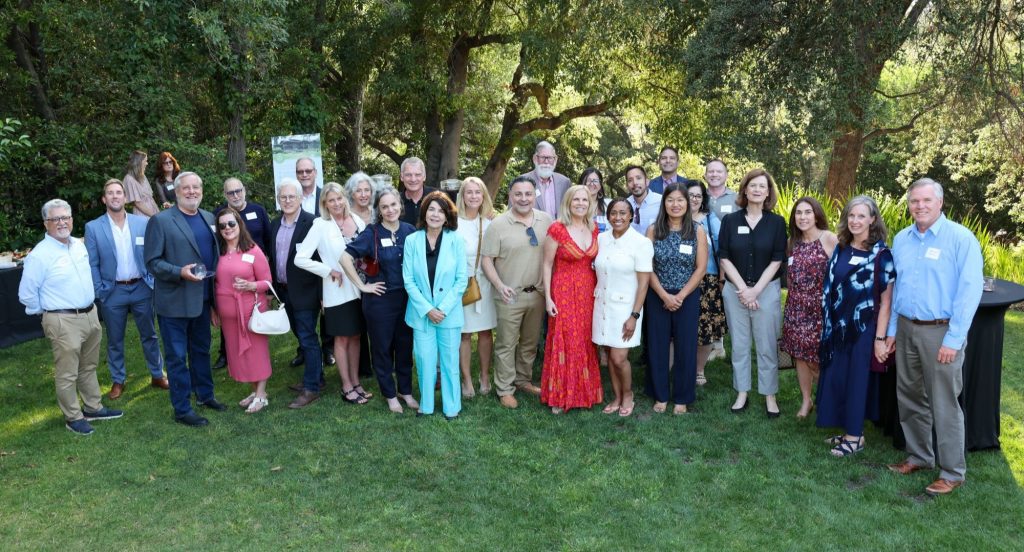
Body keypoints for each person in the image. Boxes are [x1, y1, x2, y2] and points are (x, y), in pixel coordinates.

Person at [884, 177, 983, 496]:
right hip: (908, 328)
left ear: (940, 203)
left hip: (942, 332)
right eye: (914, 201)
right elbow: (897, 289)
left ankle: (953, 472)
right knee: (910, 397)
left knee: (944, 403)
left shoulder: (960, 238)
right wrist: (892, 332)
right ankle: (920, 456)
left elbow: (970, 291)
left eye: (927, 200)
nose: (920, 206)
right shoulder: (902, 239)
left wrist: (954, 339)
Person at [19, 199, 123, 435]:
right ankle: (73, 416)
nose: (61, 222)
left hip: (90, 314)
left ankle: (93, 407)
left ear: (72, 220)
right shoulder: (39, 255)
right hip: (62, 319)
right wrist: (50, 313)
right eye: (55, 219)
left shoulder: (78, 245)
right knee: (67, 372)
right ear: (46, 224)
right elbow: (26, 294)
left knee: (89, 366)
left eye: (65, 217)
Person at [144, 171, 226, 427]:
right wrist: (178, 272)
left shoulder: (209, 218)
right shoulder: (161, 221)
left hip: (202, 300)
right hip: (175, 302)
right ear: (176, 192)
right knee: (177, 357)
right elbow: (152, 262)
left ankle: (205, 395)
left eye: (196, 187)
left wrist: (213, 301)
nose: (192, 192)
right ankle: (182, 408)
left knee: (201, 351)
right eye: (186, 188)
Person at [816, 195, 894, 456]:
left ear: (873, 219)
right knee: (839, 377)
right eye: (851, 215)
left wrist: (880, 338)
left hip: (862, 331)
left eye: (861, 216)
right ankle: (847, 427)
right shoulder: (842, 248)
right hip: (836, 328)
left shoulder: (881, 256)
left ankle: (855, 436)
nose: (855, 221)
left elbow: (886, 302)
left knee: (857, 381)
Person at [84, 179, 167, 400]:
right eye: (110, 193)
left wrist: (151, 280)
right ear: (104, 199)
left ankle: (157, 374)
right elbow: (92, 263)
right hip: (113, 291)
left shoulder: (141, 223)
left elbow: (152, 255)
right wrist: (100, 289)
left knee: (149, 334)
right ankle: (118, 380)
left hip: (141, 287)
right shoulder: (93, 227)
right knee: (115, 339)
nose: (115, 196)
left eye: (119, 192)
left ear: (125, 197)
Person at [340, 187, 420, 414]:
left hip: (406, 300)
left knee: (405, 347)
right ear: (379, 210)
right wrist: (363, 285)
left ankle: (405, 391)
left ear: (400, 206)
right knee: (383, 349)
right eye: (384, 206)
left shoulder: (410, 231)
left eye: (394, 205)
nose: (390, 209)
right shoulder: (371, 233)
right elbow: (345, 258)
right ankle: (389, 394)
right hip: (380, 301)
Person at [718, 168, 787, 417]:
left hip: (766, 291)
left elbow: (778, 259)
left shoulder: (777, 223)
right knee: (739, 343)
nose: (757, 190)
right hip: (735, 290)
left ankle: (769, 395)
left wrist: (755, 291)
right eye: (753, 185)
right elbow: (723, 256)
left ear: (768, 192)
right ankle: (742, 392)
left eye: (762, 186)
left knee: (767, 344)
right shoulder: (730, 221)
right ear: (745, 189)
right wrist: (743, 290)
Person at [481, 176, 553, 408]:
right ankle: (504, 388)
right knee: (506, 343)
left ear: (535, 196)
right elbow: (487, 261)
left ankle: (523, 379)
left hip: (539, 293)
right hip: (509, 294)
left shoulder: (546, 220)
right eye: (518, 194)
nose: (524, 198)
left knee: (530, 342)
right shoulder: (498, 225)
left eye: (528, 194)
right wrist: (500, 285)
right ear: (510, 196)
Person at [295, 182, 370, 405]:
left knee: (356, 336)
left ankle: (356, 382)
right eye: (331, 201)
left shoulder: (356, 220)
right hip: (337, 291)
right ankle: (346, 386)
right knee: (342, 337)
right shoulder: (320, 225)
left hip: (361, 288)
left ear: (345, 199)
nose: (336, 203)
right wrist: (328, 271)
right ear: (325, 204)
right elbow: (300, 258)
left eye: (339, 198)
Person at [403, 191, 469, 418]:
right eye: (431, 209)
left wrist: (442, 309)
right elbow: (408, 280)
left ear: (447, 215)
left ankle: (452, 407)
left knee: (450, 362)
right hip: (422, 314)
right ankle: (427, 405)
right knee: (424, 360)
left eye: (440, 210)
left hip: (448, 313)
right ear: (424, 212)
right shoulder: (412, 240)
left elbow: (462, 280)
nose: (435, 214)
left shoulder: (456, 240)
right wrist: (428, 309)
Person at [645, 183, 708, 414]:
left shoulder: (697, 230)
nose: (676, 204)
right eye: (670, 200)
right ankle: (660, 395)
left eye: (680, 200)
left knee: (685, 347)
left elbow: (701, 268)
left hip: (687, 296)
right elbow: (646, 266)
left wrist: (680, 296)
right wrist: (663, 294)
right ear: (664, 203)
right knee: (658, 345)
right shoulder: (653, 230)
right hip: (657, 294)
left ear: (688, 203)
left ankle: (682, 397)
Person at [540, 185, 602, 414]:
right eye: (575, 199)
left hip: (588, 291)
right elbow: (546, 264)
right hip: (564, 291)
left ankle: (584, 391)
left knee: (585, 340)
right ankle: (559, 395)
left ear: (590, 203)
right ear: (568, 202)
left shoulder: (593, 228)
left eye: (584, 200)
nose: (580, 203)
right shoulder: (557, 229)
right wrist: (548, 297)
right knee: (565, 339)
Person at [593, 198, 653, 416]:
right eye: (613, 213)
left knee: (619, 357)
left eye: (622, 213)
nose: (617, 217)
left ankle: (628, 394)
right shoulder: (601, 238)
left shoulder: (641, 243)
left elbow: (644, 283)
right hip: (602, 305)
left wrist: (634, 315)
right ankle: (616, 397)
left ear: (631, 216)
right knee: (609, 353)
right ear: (608, 216)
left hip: (626, 308)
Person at [267, 180, 323, 409]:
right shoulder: (274, 224)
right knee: (301, 336)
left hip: (306, 292)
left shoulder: (312, 223)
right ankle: (316, 376)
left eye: (292, 196)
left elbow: (320, 260)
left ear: (301, 198)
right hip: (283, 290)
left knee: (308, 337)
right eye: (283, 197)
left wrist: (321, 295)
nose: (287, 201)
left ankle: (312, 388)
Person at [780, 197, 837, 418]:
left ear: (816, 215)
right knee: (800, 357)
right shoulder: (791, 243)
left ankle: (828, 399)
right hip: (795, 308)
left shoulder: (829, 239)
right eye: (798, 213)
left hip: (820, 310)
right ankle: (806, 400)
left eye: (807, 212)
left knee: (817, 358)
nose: (802, 217)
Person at [213, 208, 273, 414]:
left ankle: (262, 394)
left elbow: (267, 282)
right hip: (228, 314)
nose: (227, 228)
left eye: (231, 224)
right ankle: (255, 390)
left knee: (257, 352)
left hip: (251, 311)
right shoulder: (218, 252)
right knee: (241, 353)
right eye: (222, 226)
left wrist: (251, 286)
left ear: (239, 224)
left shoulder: (252, 250)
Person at [212, 177, 273, 370]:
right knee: (229, 320)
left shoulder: (258, 210)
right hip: (229, 277)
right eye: (231, 192)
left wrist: (268, 288)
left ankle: (258, 364)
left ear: (244, 190)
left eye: (238, 191)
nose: (236, 195)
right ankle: (226, 354)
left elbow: (269, 240)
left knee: (255, 323)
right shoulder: (219, 216)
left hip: (256, 275)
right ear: (225, 195)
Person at [455, 177, 497, 397]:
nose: (473, 196)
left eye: (477, 192)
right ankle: (467, 380)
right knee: (463, 333)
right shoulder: (453, 223)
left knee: (485, 332)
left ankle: (484, 375)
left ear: (483, 196)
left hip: (485, 282)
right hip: (463, 284)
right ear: (462, 196)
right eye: (468, 192)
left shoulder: (490, 223)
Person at [292, 157, 333, 366]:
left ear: (315, 172)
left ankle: (328, 348)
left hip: (324, 261)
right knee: (302, 314)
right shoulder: (291, 198)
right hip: (303, 263)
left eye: (308, 171)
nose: (305, 175)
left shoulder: (324, 197)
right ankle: (304, 349)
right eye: (300, 172)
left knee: (326, 308)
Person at [686, 179, 725, 387]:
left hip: (707, 281)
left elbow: (723, 251)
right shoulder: (673, 219)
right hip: (679, 281)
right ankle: (680, 366)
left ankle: (699, 369)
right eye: (690, 194)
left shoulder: (711, 221)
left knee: (706, 327)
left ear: (703, 199)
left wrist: (721, 279)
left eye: (698, 195)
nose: (694, 199)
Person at [704, 158, 735, 362]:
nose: (714, 175)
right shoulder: (697, 195)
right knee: (710, 297)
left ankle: (720, 343)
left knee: (725, 297)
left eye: (719, 171)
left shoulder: (737, 198)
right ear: (705, 175)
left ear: (726, 175)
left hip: (730, 256)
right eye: (711, 171)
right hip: (705, 256)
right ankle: (713, 343)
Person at [520, 141, 571, 218]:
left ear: (555, 159)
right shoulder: (521, 182)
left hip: (559, 229)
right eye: (543, 157)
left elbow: (569, 210)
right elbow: (513, 213)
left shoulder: (564, 182)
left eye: (550, 158)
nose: (546, 162)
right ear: (535, 158)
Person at [398, 157, 438, 225]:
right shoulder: (395, 202)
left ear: (424, 176)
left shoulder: (437, 197)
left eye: (417, 175)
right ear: (402, 177)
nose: (413, 179)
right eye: (408, 175)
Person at [624, 165, 662, 235]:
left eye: (638, 178)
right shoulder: (624, 205)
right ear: (627, 186)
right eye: (630, 180)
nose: (635, 183)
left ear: (647, 182)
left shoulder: (661, 202)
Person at [122, 150, 160, 218]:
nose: (147, 163)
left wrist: (157, 213)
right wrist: (153, 216)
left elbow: (150, 197)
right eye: (145, 161)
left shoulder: (142, 176)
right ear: (139, 162)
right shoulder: (129, 179)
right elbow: (138, 203)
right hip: (143, 214)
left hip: (153, 211)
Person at [580, 168, 610, 232]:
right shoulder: (576, 205)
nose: (591, 184)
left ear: (600, 184)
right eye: (588, 180)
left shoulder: (609, 204)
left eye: (595, 181)